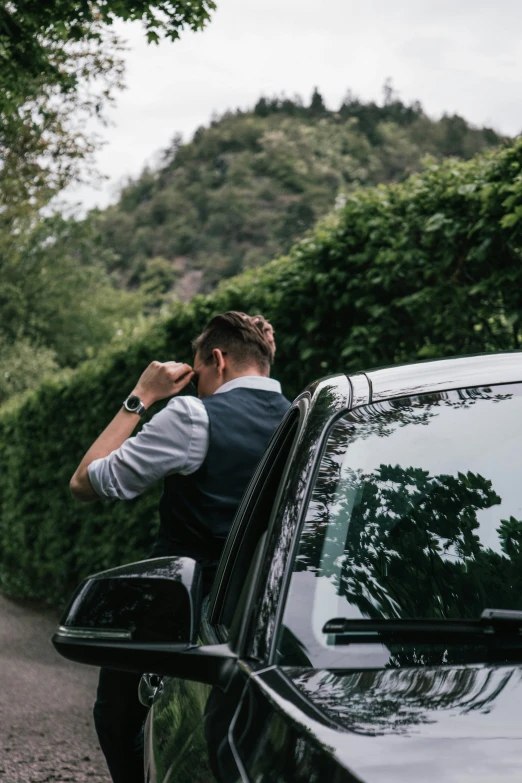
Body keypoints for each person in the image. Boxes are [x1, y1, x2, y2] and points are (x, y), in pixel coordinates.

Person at [69, 311, 291, 783]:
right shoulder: (302, 423)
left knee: (115, 714)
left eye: (198, 375)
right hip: (277, 610)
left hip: (191, 614)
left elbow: (86, 482)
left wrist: (142, 396)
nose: (196, 389)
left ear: (217, 359)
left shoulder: (192, 416)